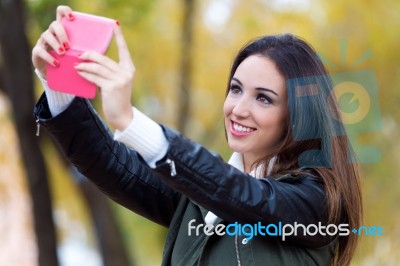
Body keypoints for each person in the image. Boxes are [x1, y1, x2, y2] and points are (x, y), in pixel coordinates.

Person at [32, 5, 362, 266]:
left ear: (297, 116)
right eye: (236, 89)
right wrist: (57, 80)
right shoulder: (197, 201)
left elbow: (240, 194)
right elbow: (113, 165)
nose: (239, 109)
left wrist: (130, 120)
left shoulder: (314, 203)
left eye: (264, 98)